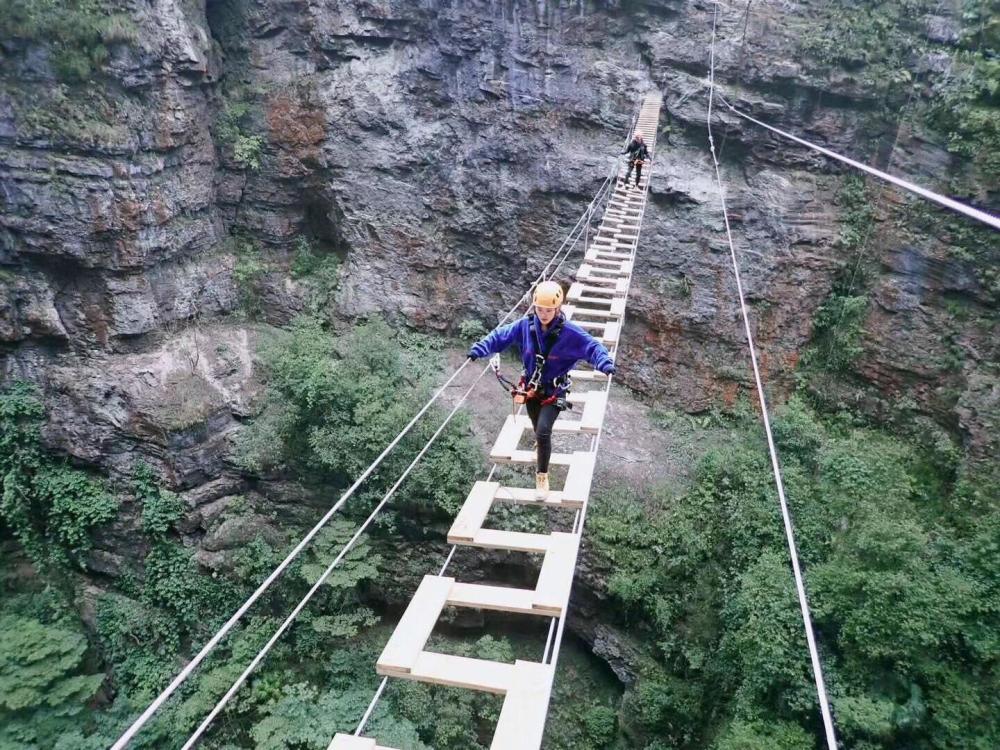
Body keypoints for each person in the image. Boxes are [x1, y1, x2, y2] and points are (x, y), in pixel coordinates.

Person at [467, 281, 616, 499]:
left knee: (543, 430)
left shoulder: (570, 334)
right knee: (538, 427)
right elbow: (500, 336)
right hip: (531, 389)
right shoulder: (525, 327)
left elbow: (592, 347)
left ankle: (542, 477)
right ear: (534, 307)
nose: (543, 314)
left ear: (558, 309)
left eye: (548, 310)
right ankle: (541, 446)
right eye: (539, 309)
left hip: (555, 391)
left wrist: (605, 364)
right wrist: (479, 349)